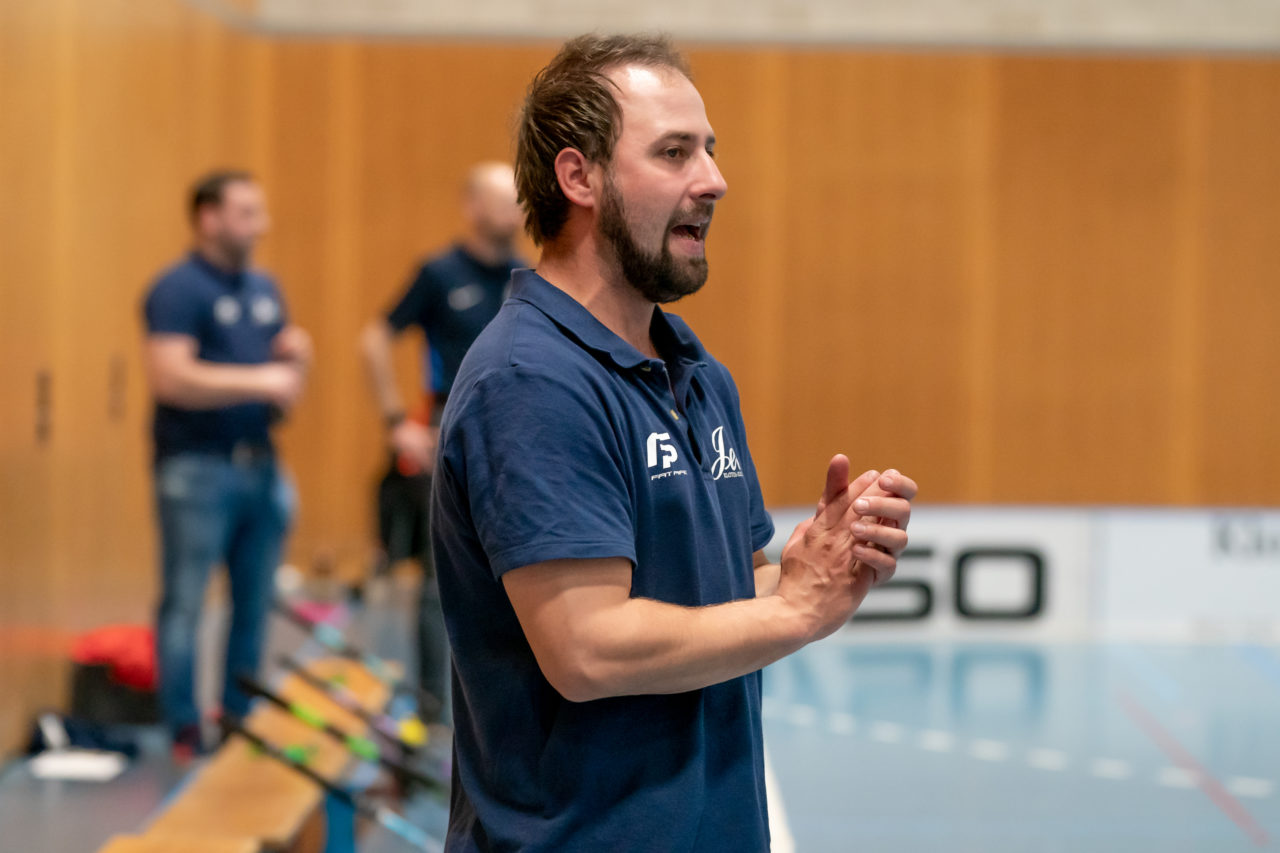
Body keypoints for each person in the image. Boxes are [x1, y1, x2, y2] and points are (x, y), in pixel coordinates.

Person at [431, 34, 918, 852]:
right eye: (674, 152)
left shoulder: (694, 370)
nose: (714, 180)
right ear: (577, 176)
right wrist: (796, 609)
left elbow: (728, 594)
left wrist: (807, 570)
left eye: (711, 150)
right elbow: (586, 648)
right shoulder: (533, 380)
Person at [142, 170, 311, 757]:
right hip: (197, 469)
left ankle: (239, 719)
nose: (259, 225)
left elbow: (281, 391)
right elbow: (170, 377)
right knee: (186, 601)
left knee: (254, 600)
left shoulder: (264, 288)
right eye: (245, 213)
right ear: (208, 218)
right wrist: (258, 377)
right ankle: (185, 727)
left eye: (260, 212)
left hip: (260, 464)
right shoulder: (178, 289)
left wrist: (295, 364)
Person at [359, 162, 525, 719]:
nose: (516, 211)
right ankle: (434, 708)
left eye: (520, 200)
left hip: (515, 446)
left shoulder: (527, 275)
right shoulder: (438, 273)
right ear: (473, 207)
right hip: (448, 447)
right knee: (440, 581)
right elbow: (376, 339)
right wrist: (396, 421)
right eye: (504, 200)